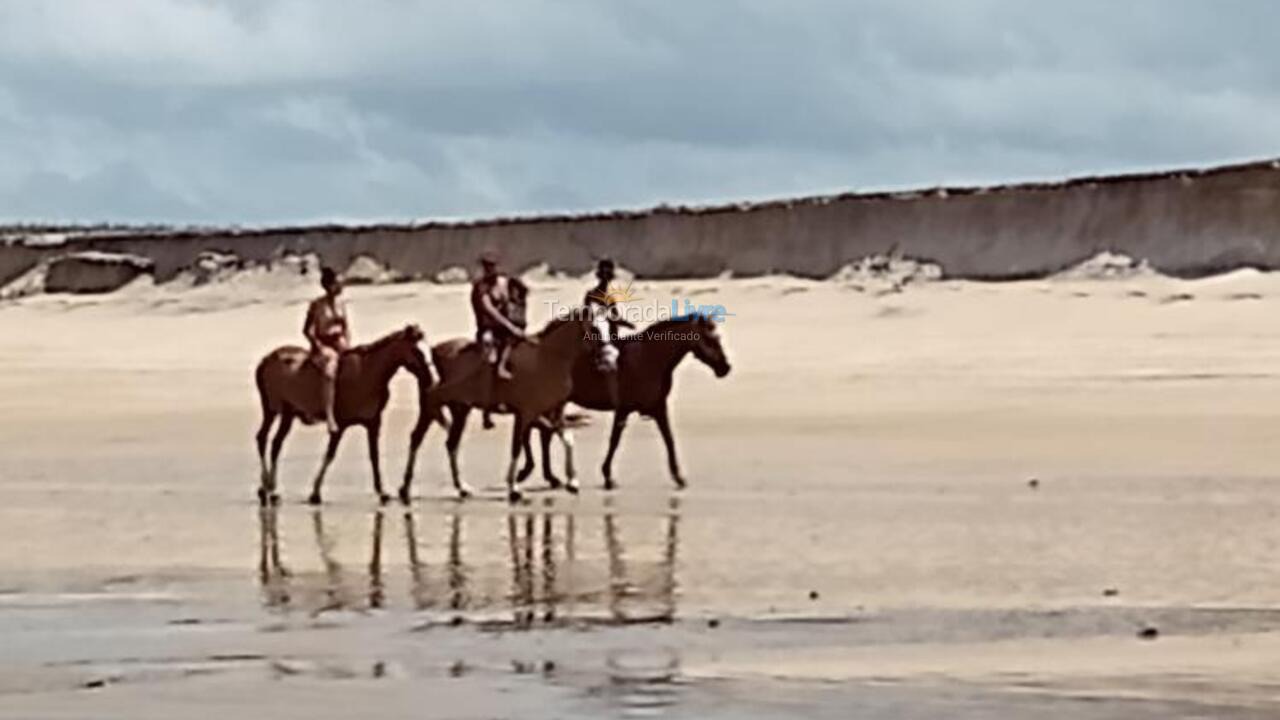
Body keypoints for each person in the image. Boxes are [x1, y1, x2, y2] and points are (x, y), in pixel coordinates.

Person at [304, 267, 350, 433]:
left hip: (340, 342)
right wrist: (317, 345)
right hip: (323, 343)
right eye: (337, 283)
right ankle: (329, 415)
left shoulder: (341, 304)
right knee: (330, 371)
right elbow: (307, 330)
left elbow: (345, 326)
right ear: (329, 286)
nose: (340, 286)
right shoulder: (317, 305)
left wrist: (347, 342)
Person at [471, 250, 527, 380]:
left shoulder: (502, 282)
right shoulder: (481, 287)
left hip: (503, 326)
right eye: (487, 266)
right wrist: (511, 327)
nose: (490, 269)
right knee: (489, 342)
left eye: (492, 266)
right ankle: (499, 368)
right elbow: (490, 310)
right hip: (488, 326)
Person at [584, 258, 633, 406]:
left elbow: (614, 317)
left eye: (608, 274)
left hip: (611, 337)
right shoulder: (592, 295)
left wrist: (625, 323)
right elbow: (591, 317)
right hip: (598, 338)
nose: (606, 278)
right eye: (604, 274)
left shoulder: (609, 298)